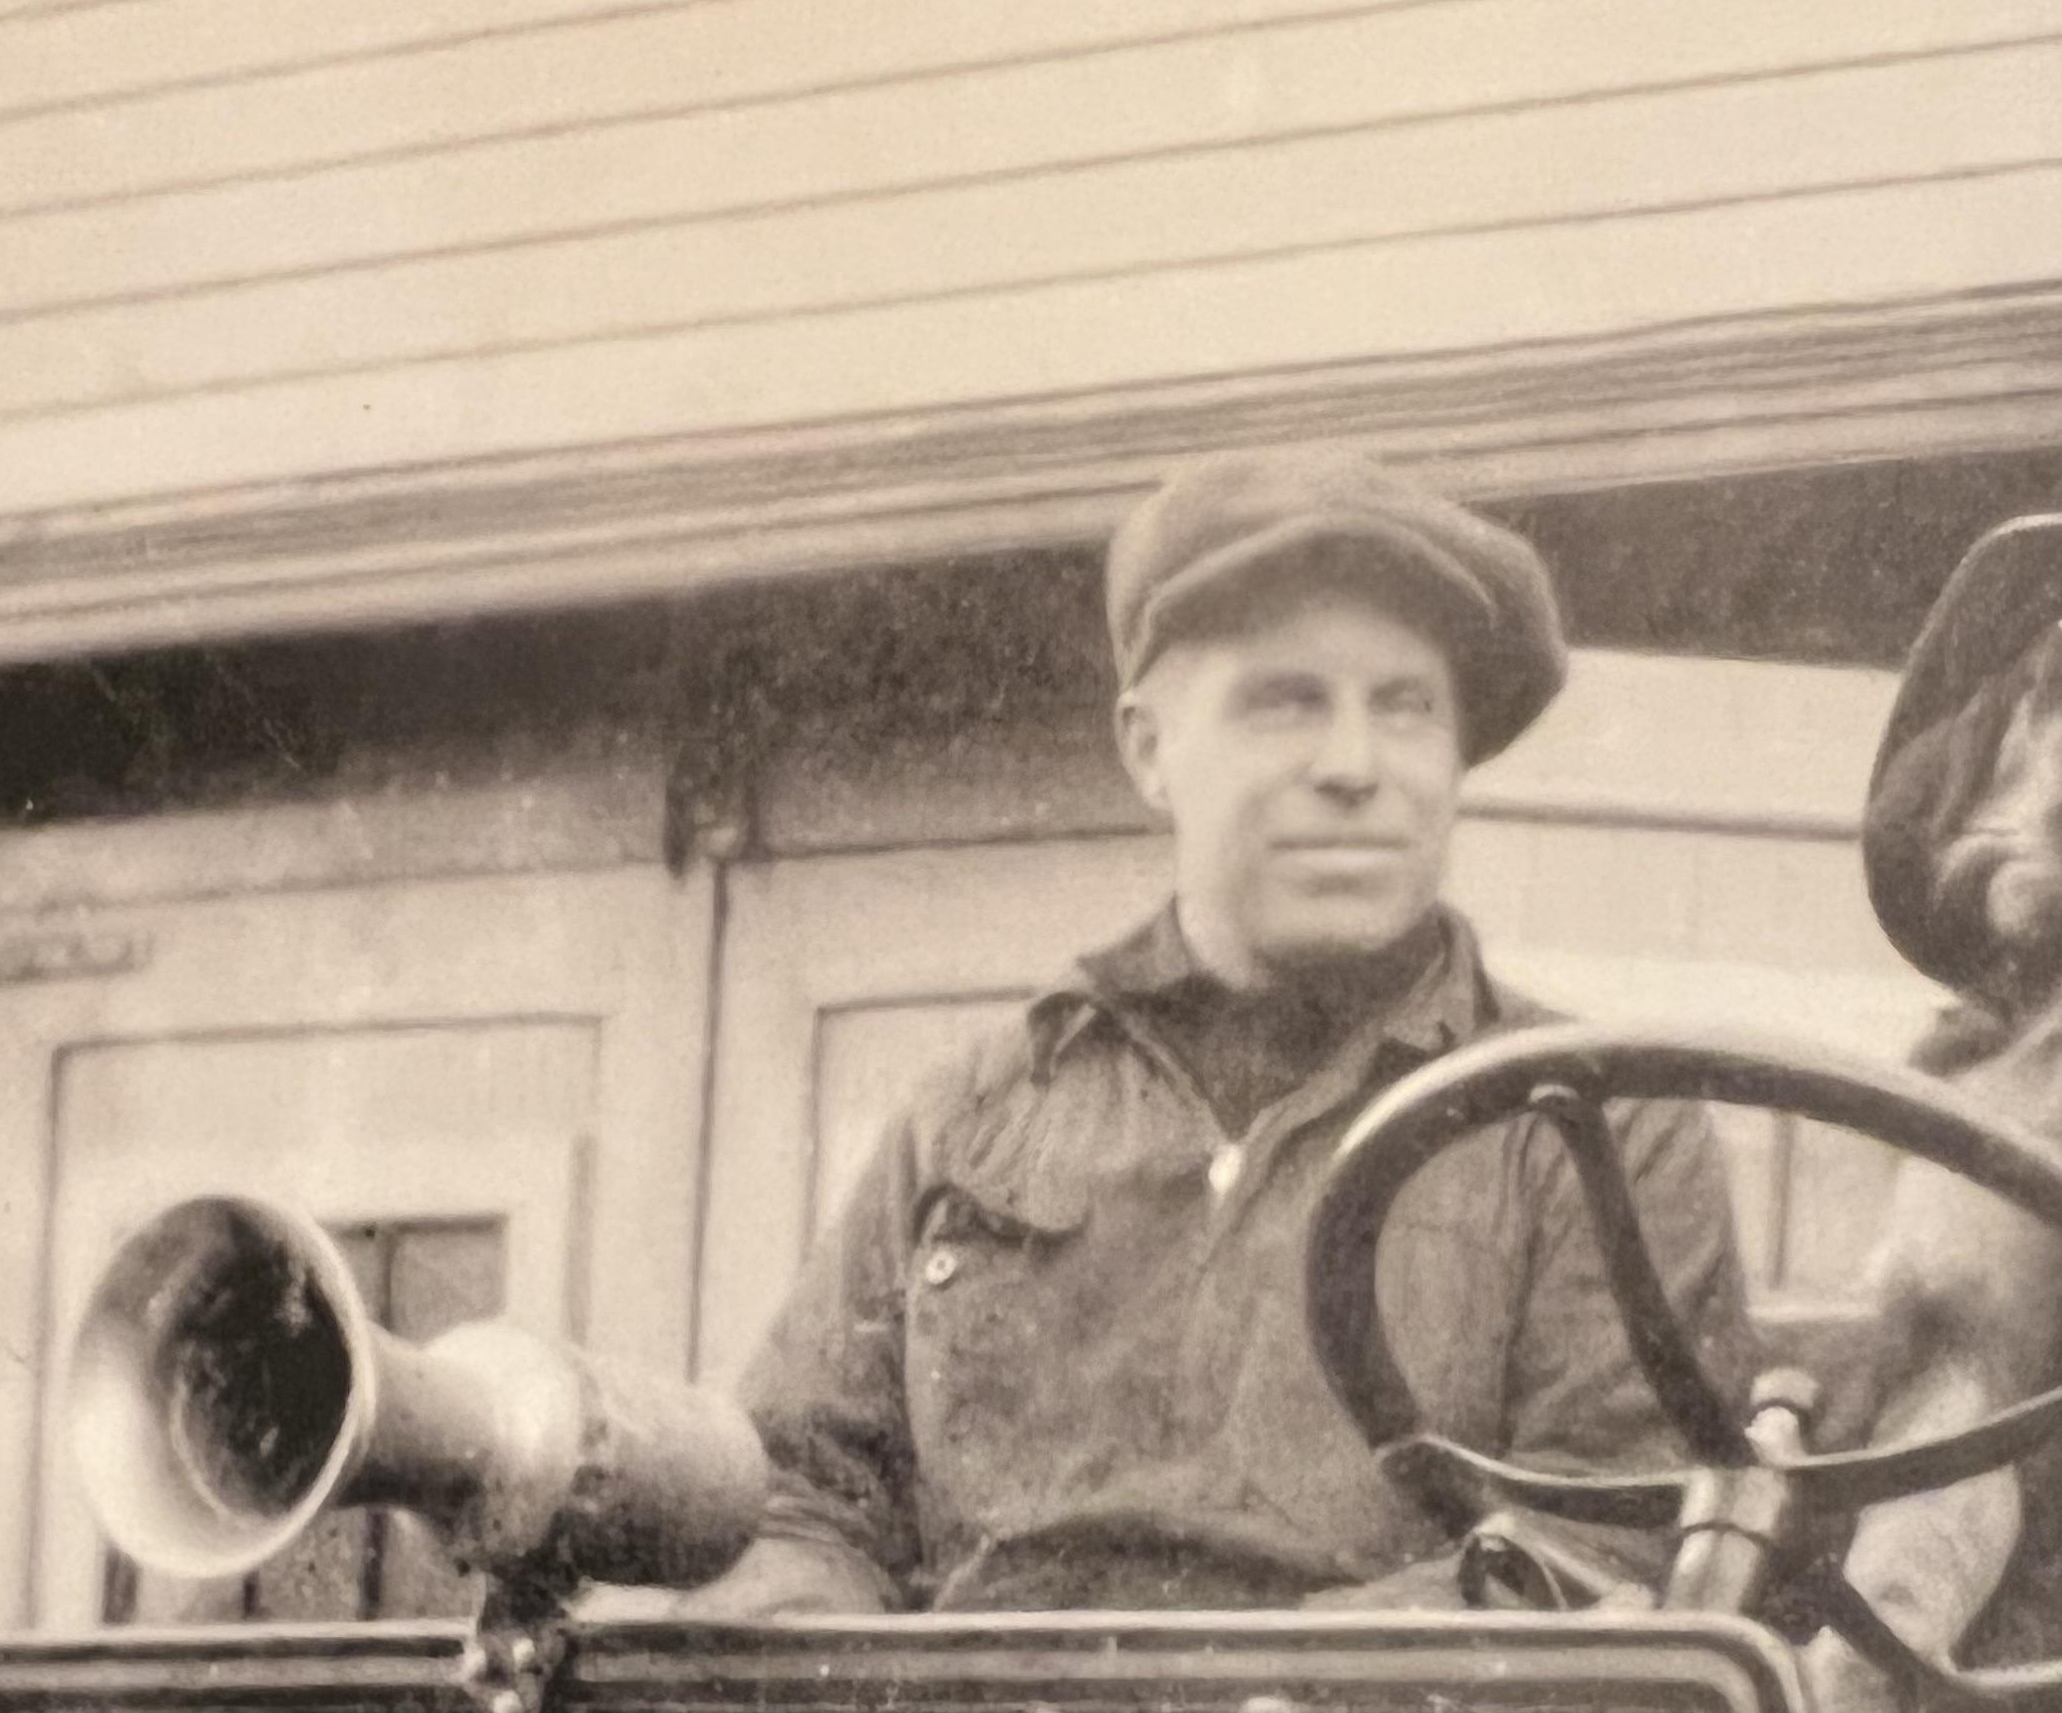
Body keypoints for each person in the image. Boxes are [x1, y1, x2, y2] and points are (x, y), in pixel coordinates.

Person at [706, 446, 1751, 1617]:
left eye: (1405, 707)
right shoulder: (975, 1115)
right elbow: (798, 1496)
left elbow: (1596, 1547)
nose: (1357, 768)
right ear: (1150, 749)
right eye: (1284, 703)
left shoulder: (1590, 1121)